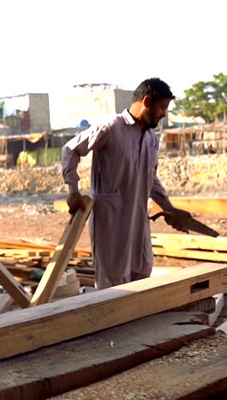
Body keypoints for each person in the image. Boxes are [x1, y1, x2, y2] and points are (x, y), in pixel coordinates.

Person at [62, 77, 190, 289]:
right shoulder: (110, 128)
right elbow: (70, 150)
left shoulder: (151, 138)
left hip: (138, 219)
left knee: (141, 274)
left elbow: (150, 177)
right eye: (162, 107)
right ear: (146, 101)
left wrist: (169, 209)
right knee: (112, 281)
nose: (164, 114)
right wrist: (73, 190)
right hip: (110, 220)